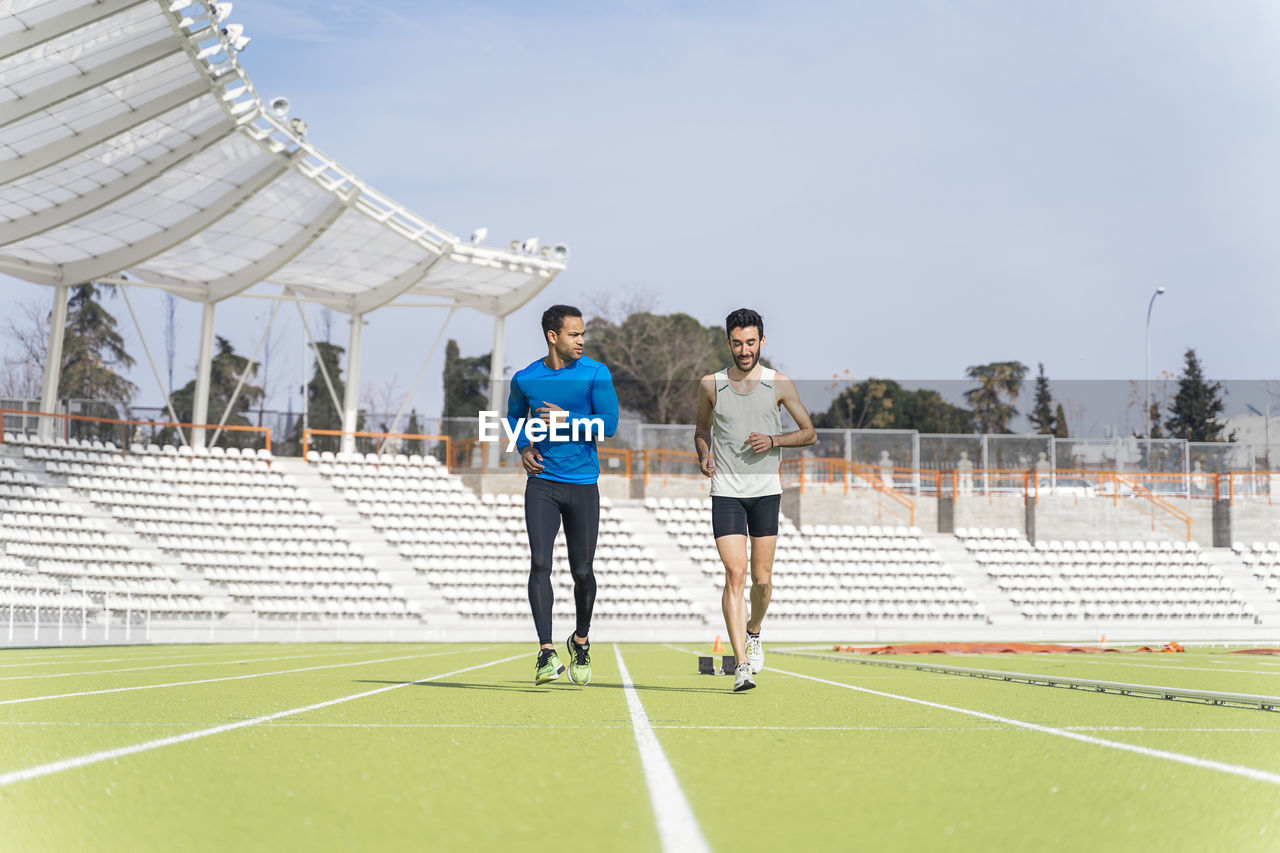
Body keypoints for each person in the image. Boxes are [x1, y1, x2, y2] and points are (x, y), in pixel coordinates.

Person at [694, 308, 815, 692]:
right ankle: (742, 665)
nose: (744, 350)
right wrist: (703, 453)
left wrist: (774, 440)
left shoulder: (779, 384)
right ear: (728, 342)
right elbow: (701, 428)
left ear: (762, 341)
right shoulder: (710, 384)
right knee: (735, 574)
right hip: (726, 491)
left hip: (765, 493)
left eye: (750, 342)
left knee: (762, 581)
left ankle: (754, 631)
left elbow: (809, 432)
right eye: (737, 343)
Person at [506, 305, 619, 686]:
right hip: (542, 484)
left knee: (582, 571)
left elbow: (609, 425)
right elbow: (514, 418)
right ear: (553, 336)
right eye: (574, 334)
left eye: (582, 333)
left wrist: (567, 420)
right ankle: (545, 652)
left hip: (584, 484)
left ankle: (581, 641)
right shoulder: (525, 378)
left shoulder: (595, 373)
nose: (581, 341)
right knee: (540, 563)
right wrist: (523, 447)